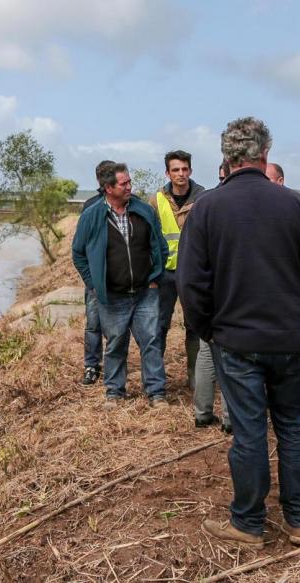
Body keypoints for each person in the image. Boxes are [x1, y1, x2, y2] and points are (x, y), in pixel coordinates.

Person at [178, 117, 300, 548]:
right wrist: (289, 309)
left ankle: (248, 523)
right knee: (294, 426)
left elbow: (190, 283)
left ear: (225, 158)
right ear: (265, 154)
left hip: (236, 340)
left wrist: (211, 327)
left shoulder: (208, 208)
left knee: (249, 432)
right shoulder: (295, 204)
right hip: (286, 338)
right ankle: (299, 520)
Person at [71, 162, 169, 407]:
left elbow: (160, 246)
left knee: (151, 341)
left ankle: (156, 393)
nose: (129, 187)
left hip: (145, 292)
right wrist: (94, 284)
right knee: (115, 344)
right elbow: (78, 253)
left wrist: (155, 278)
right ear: (108, 188)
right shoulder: (92, 215)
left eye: (129, 182)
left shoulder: (144, 210)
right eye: (123, 183)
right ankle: (114, 392)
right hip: (112, 296)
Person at [148, 150, 227, 429]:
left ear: (190, 171)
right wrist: (153, 273)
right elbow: (150, 238)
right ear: (168, 173)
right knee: (159, 328)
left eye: (184, 169)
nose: (180, 174)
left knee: (197, 328)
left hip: (195, 275)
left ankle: (196, 381)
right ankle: (156, 385)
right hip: (166, 275)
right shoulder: (156, 200)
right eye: (175, 170)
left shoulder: (204, 198)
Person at [79, 160, 116, 386]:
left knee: (121, 326)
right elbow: (80, 247)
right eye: (102, 176)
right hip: (96, 279)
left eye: (109, 175)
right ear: (98, 180)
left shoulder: (131, 203)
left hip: (123, 279)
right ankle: (92, 365)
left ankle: (116, 365)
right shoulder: (90, 206)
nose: (105, 180)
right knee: (93, 324)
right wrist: (90, 280)